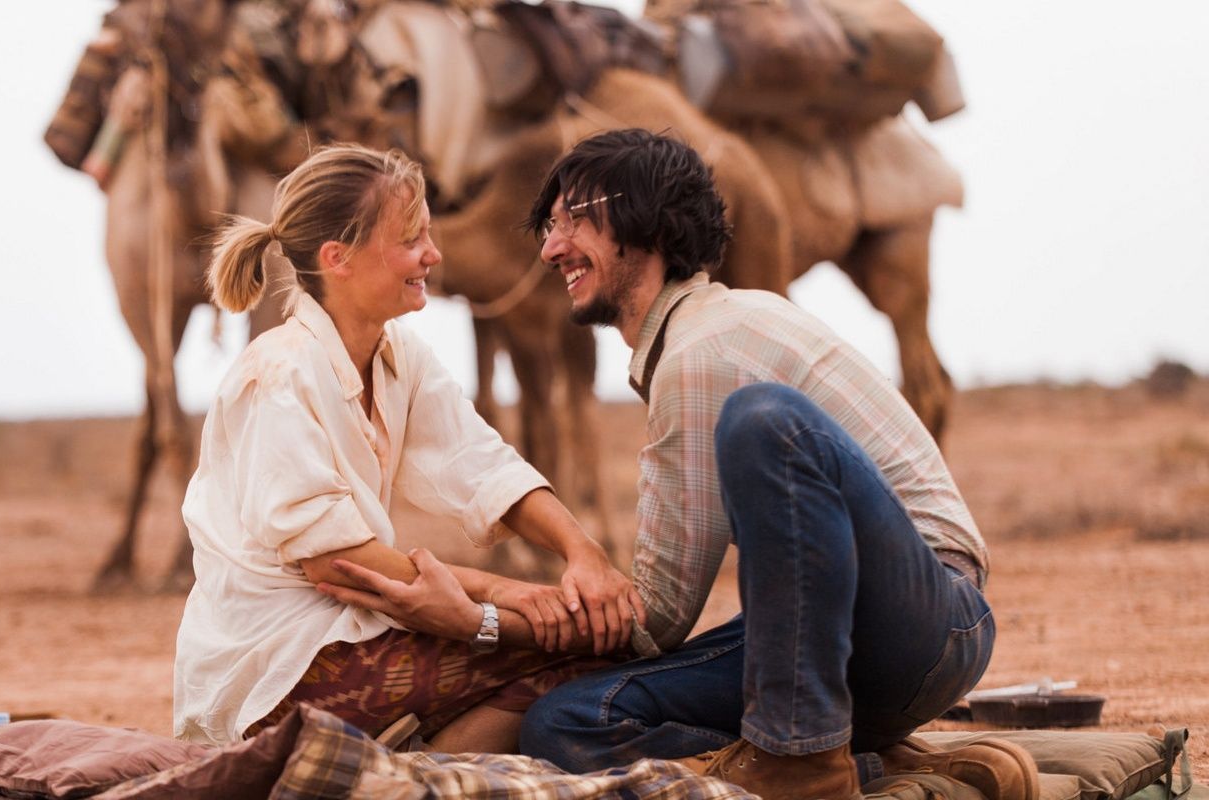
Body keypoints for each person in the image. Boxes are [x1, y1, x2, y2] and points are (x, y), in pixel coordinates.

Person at [318, 129, 1038, 800]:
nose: (551, 251)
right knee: (568, 722)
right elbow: (655, 616)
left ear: (651, 232)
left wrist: (479, 619)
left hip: (927, 619)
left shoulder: (703, 352)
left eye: (574, 223)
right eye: (550, 227)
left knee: (765, 423)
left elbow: (654, 624)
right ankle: (868, 764)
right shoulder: (698, 341)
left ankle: (802, 766)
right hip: (853, 644)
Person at [171, 143, 643, 752]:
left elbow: (481, 464)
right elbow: (333, 558)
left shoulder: (401, 358)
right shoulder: (280, 375)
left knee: (588, 647)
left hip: (354, 631)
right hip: (276, 665)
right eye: (411, 239)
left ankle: (408, 775)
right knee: (569, 655)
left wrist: (584, 554)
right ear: (337, 258)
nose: (432, 255)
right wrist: (503, 595)